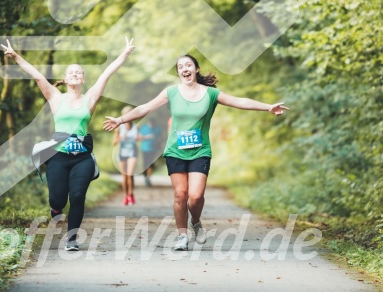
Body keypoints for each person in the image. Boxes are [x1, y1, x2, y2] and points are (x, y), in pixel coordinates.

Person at [103, 54, 289, 251]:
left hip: (200, 151)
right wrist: (121, 120)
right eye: (181, 66)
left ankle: (197, 221)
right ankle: (182, 236)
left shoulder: (210, 94)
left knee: (196, 196)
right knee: (180, 195)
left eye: (188, 65)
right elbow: (145, 108)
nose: (185, 68)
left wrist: (268, 107)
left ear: (196, 69)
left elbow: (239, 101)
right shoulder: (171, 92)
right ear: (178, 73)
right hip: (175, 150)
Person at [2, 37, 135, 251]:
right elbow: (37, 76)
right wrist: (16, 56)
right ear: (64, 78)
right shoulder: (55, 97)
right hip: (58, 156)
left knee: (78, 195)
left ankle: (71, 238)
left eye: (79, 72)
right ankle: (55, 210)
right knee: (57, 198)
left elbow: (106, 73)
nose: (75, 73)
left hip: (82, 157)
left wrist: (125, 53)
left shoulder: (90, 98)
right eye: (71, 72)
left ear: (83, 79)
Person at [113, 106, 139, 205]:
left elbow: (139, 138)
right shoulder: (119, 127)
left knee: (130, 174)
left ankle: (130, 194)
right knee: (124, 176)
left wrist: (140, 138)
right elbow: (114, 142)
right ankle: (125, 196)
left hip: (133, 152)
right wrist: (121, 137)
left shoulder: (136, 126)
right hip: (122, 153)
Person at [139, 118, 161, 187]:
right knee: (145, 164)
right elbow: (139, 137)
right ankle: (145, 176)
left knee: (151, 164)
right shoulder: (144, 128)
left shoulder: (157, 129)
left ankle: (148, 178)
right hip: (144, 149)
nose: (151, 124)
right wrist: (146, 137)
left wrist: (158, 143)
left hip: (153, 149)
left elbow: (160, 138)